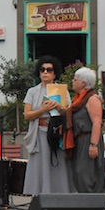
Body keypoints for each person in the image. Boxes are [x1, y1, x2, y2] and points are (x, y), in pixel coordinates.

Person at [22, 56, 74, 195]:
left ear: (54, 73)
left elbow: (67, 112)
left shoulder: (62, 90)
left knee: (58, 162)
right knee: (40, 164)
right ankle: (39, 193)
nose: (45, 72)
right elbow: (27, 115)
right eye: (42, 69)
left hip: (56, 131)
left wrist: (59, 106)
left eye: (49, 70)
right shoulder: (32, 91)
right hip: (39, 131)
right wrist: (42, 110)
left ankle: (59, 193)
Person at [68, 66, 105, 193]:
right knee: (79, 174)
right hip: (79, 140)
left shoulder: (92, 99)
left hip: (89, 139)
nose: (73, 81)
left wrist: (93, 145)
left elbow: (97, 123)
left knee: (85, 173)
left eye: (75, 79)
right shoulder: (77, 100)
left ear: (83, 83)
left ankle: (92, 204)